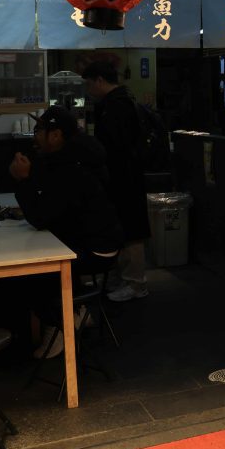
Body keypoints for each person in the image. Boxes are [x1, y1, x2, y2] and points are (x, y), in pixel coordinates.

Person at [9, 106, 124, 358]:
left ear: (56, 135)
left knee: (31, 273)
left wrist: (24, 181)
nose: (34, 135)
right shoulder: (70, 159)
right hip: (92, 240)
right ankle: (77, 310)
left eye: (39, 130)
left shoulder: (72, 167)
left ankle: (61, 324)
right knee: (38, 259)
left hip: (97, 250)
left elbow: (41, 217)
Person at [81, 60, 150, 302]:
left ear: (100, 80)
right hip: (123, 175)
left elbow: (117, 147)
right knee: (124, 227)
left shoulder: (117, 105)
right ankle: (125, 279)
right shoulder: (119, 102)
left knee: (131, 229)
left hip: (125, 177)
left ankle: (136, 283)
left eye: (89, 85)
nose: (89, 91)